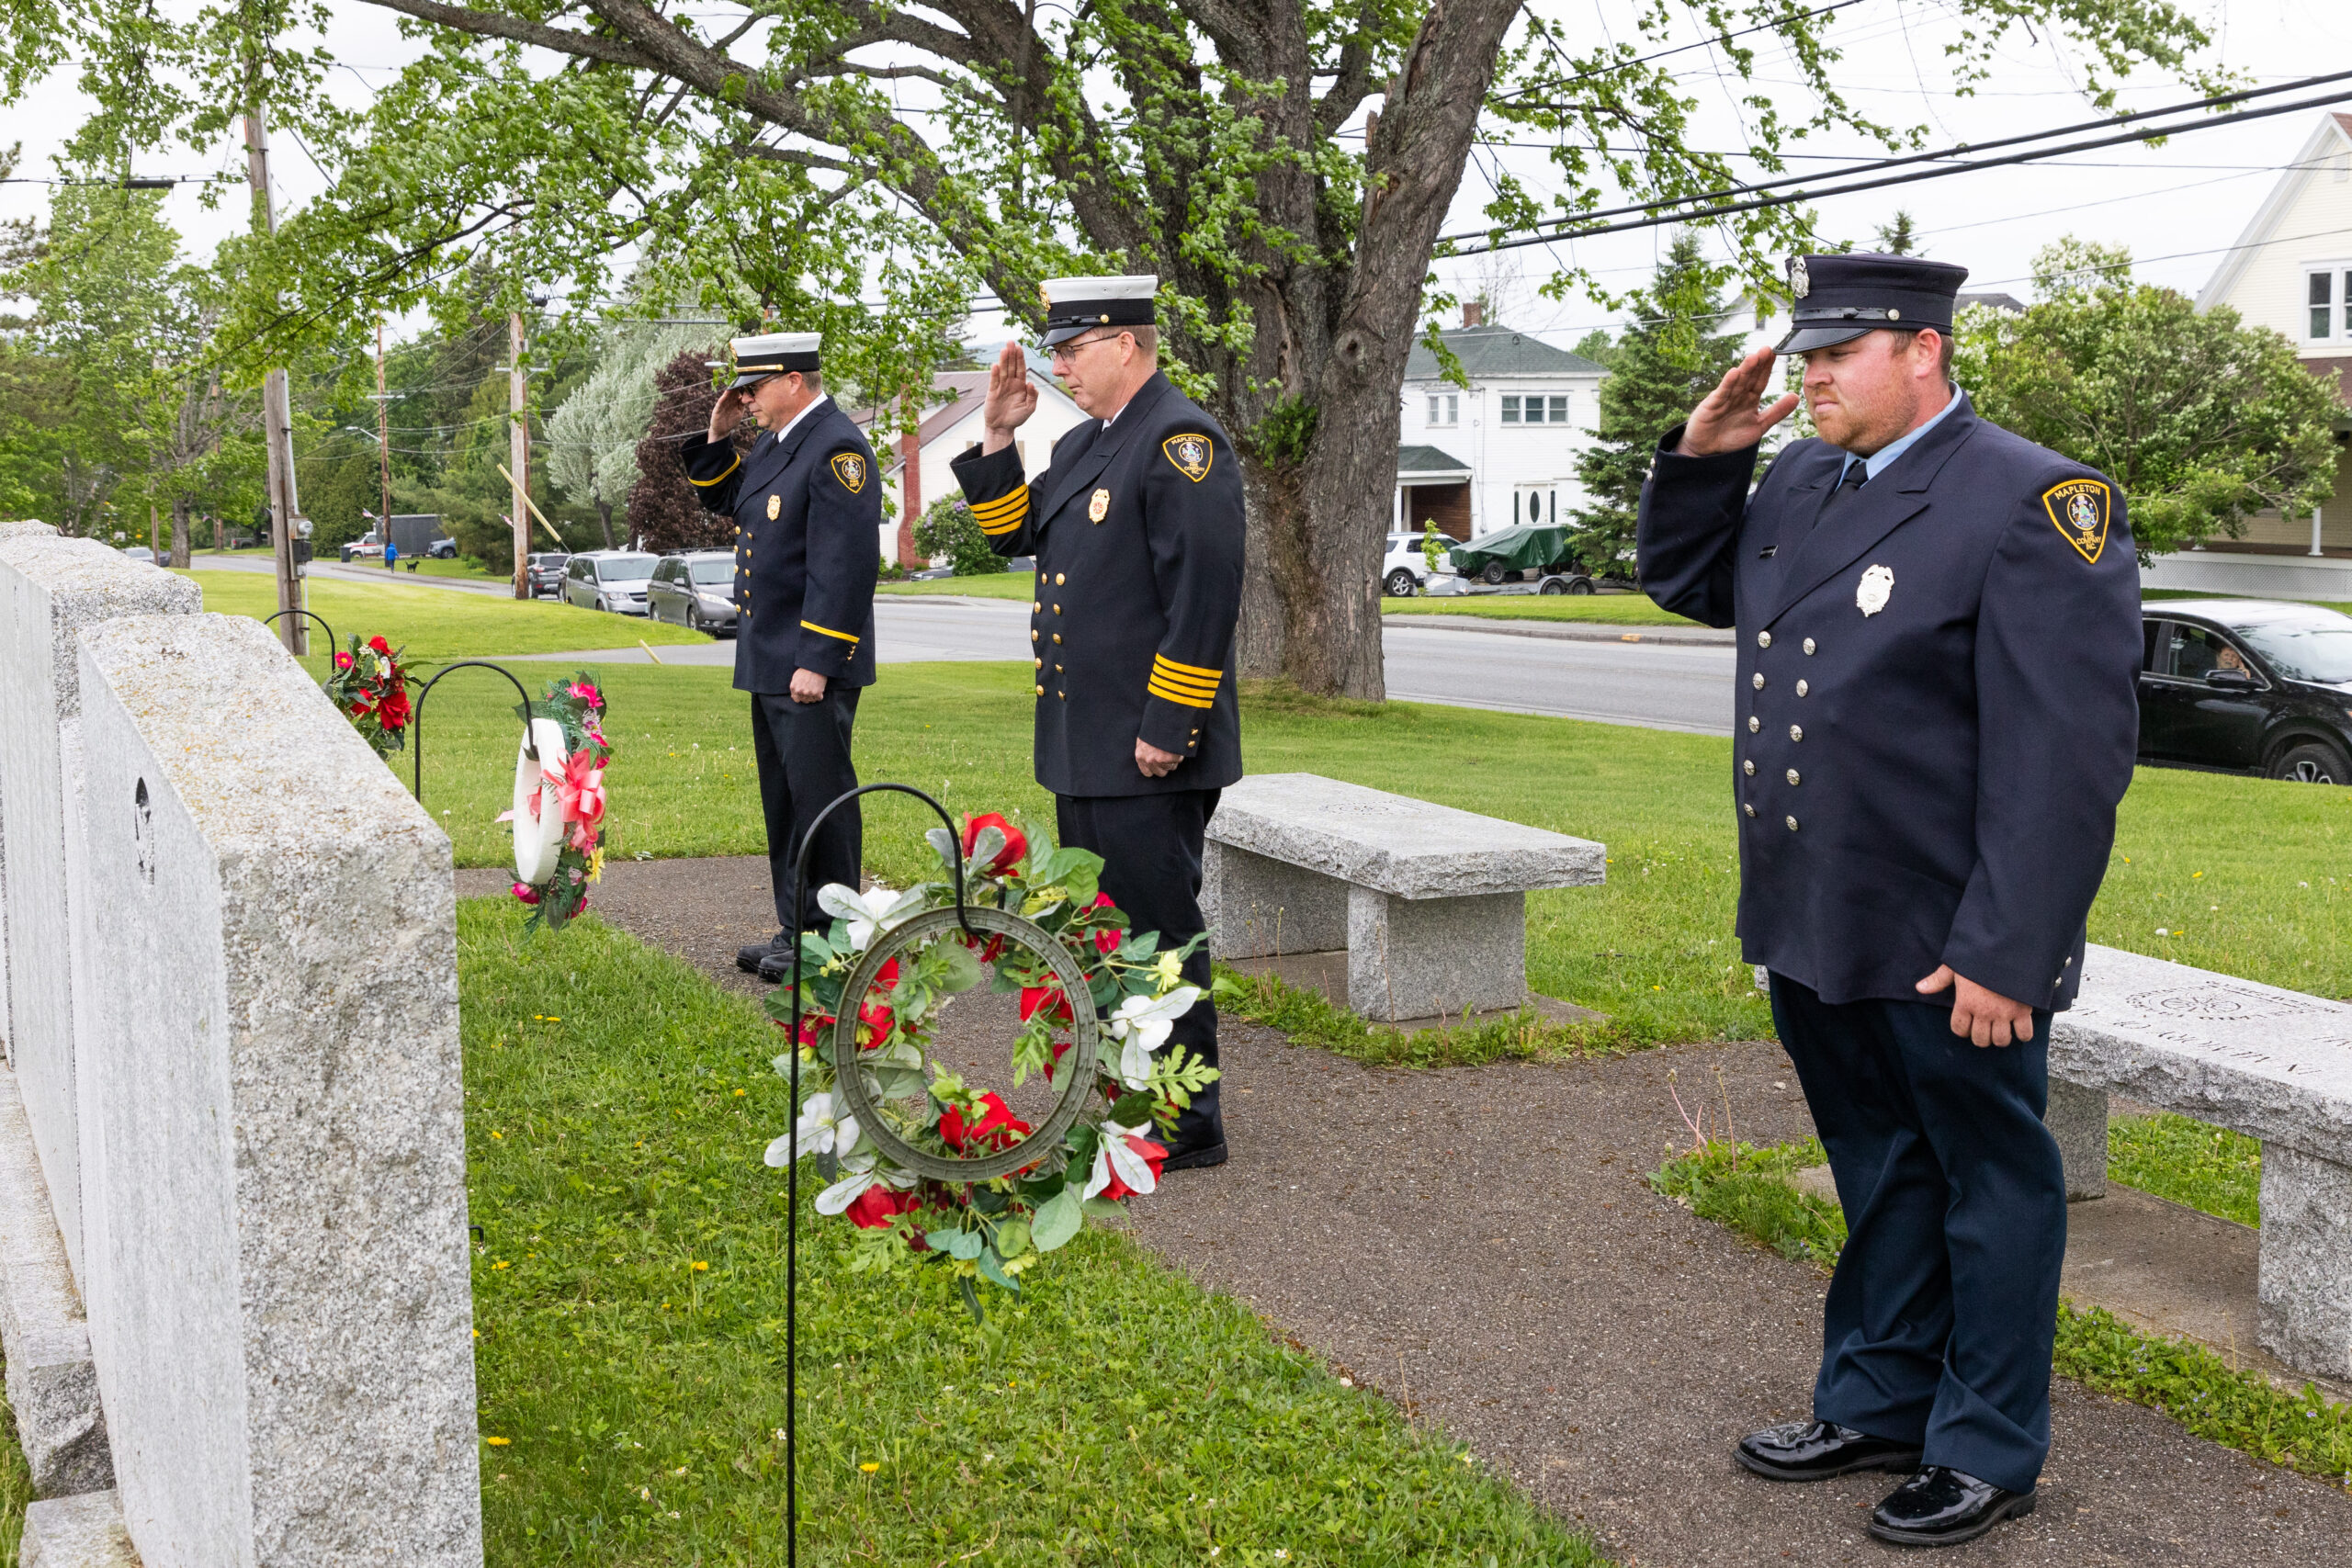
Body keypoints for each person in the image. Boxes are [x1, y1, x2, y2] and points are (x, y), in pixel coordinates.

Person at [1637, 253, 2141, 1549]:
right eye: (1804, 357)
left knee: (1989, 1180)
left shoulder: (2034, 499)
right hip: (1820, 904)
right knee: (1879, 1164)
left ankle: (1985, 1444)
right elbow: (1694, 588)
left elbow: (2065, 755)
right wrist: (1703, 459)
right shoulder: (1802, 475)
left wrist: (2012, 949)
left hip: (1948, 930)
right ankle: (1879, 1394)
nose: (1807, 379)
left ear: (1923, 350)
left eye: (1834, 356)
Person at [950, 276, 1245, 1170]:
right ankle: (1132, 1090)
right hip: (1086, 746)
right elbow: (1010, 533)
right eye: (1057, 350)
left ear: (1128, 342)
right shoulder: (1087, 444)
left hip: (1147, 746)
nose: (1062, 365)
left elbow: (1203, 595)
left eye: (1074, 348)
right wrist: (1001, 433)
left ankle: (1189, 1123)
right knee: (1113, 933)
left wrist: (1170, 721)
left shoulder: (1180, 441)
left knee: (1158, 934)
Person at [676, 333, 881, 978]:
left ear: (795, 380)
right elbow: (726, 501)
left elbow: (844, 566)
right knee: (786, 801)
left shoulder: (837, 447)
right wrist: (717, 435)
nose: (747, 400)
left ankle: (835, 938)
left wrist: (818, 659)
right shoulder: (776, 443)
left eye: (755, 388)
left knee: (821, 798)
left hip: (807, 662)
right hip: (770, 655)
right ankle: (799, 928)